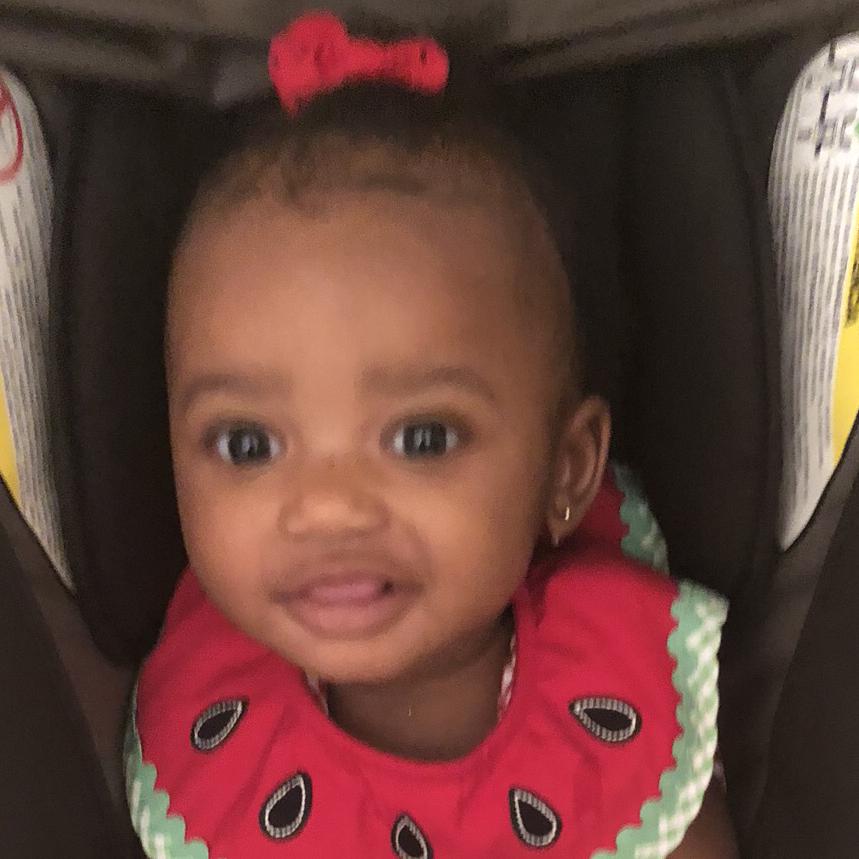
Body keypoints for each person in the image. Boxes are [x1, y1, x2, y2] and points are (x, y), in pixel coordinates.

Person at [126, 13, 738, 857]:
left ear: (564, 471)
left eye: (420, 439)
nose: (327, 508)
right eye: (247, 445)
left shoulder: (623, 722)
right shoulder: (206, 741)